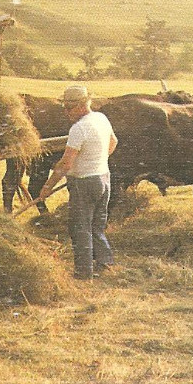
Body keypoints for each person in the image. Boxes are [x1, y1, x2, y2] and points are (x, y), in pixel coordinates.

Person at [39, 85, 118, 280]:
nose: (66, 112)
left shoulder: (79, 128)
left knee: (80, 228)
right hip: (104, 179)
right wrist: (96, 160)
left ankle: (83, 273)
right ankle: (105, 264)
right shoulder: (101, 118)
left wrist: (48, 186)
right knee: (96, 226)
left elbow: (65, 163)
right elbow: (113, 142)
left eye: (69, 108)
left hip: (84, 183)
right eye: (64, 107)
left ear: (83, 105)